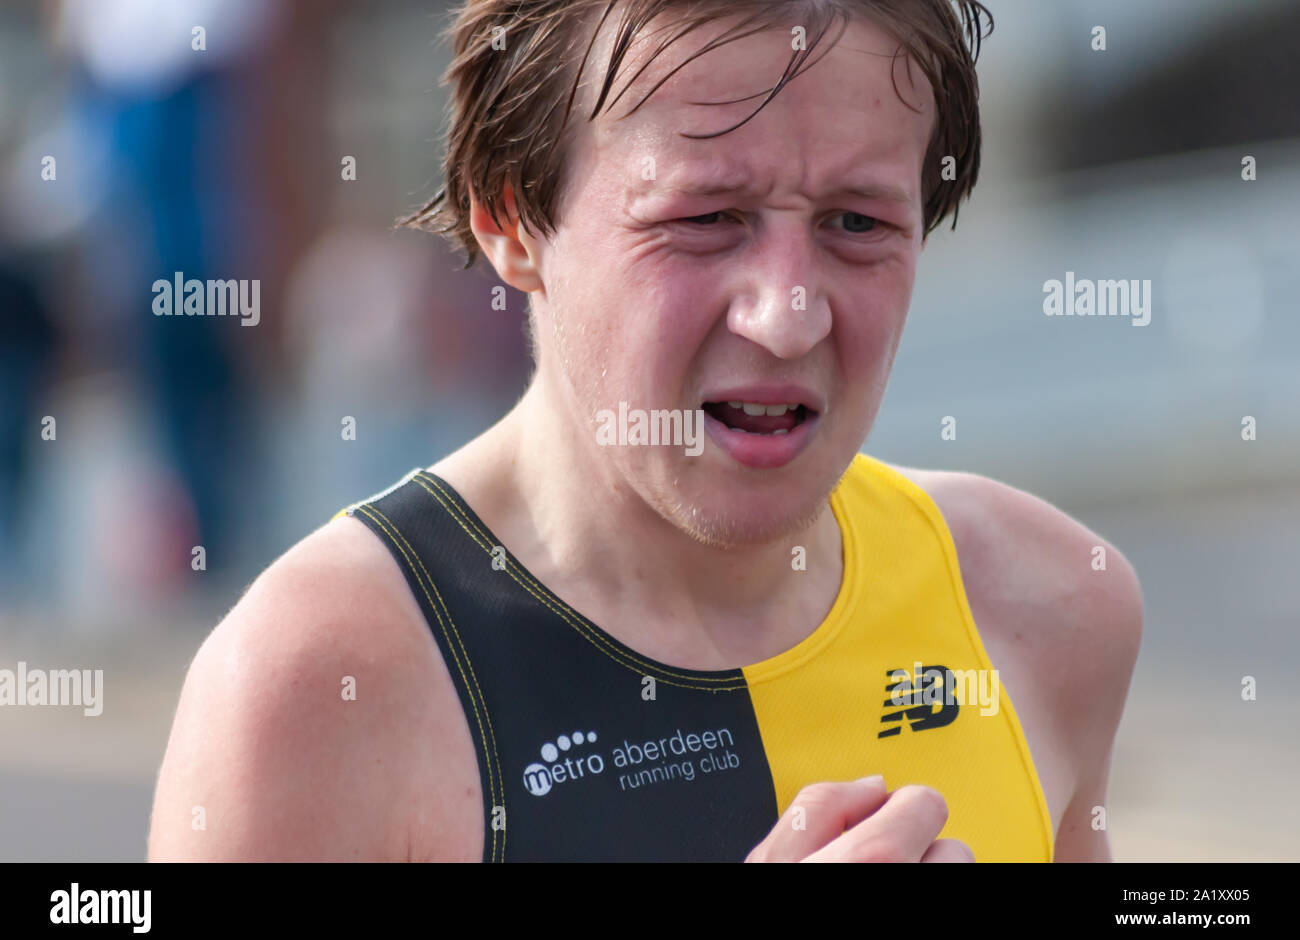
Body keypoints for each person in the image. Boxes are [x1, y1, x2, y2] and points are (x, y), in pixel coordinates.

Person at [149, 0, 1142, 862]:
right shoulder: (321, 681)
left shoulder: (1043, 603)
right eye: (707, 217)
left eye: (856, 223)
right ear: (510, 220)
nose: (787, 314)